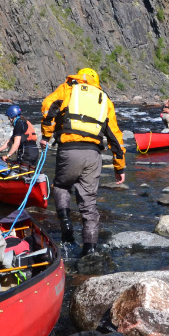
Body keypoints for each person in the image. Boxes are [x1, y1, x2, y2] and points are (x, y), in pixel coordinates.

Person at [41, 67, 125, 256]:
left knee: (61, 186)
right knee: (89, 205)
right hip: (93, 155)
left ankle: (66, 225)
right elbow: (115, 137)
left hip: (69, 151)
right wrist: (120, 166)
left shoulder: (68, 89)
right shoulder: (105, 100)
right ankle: (90, 251)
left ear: (80, 77)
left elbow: (48, 106)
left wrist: (46, 136)